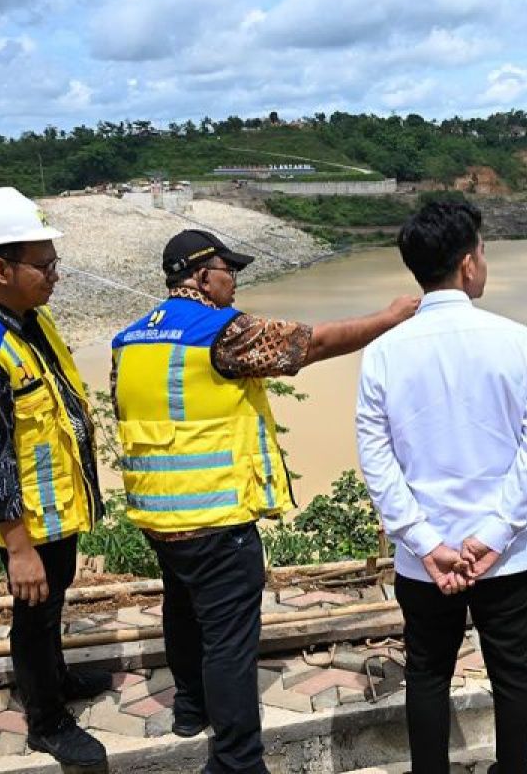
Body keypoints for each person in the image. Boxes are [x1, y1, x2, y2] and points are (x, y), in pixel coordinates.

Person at [111, 228, 417, 774]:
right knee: (229, 642)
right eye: (231, 271)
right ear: (203, 275)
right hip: (214, 513)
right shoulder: (223, 332)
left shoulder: (130, 338)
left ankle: (189, 709)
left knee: (182, 612)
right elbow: (312, 343)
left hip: (158, 511)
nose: (236, 282)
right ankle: (236, 762)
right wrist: (390, 318)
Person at [356, 202, 527, 774]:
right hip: (510, 554)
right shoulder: (519, 341)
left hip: (428, 562)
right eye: (484, 252)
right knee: (514, 672)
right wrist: (494, 535)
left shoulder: (384, 353)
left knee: (426, 672)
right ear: (469, 265)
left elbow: (378, 460)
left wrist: (424, 540)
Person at [0, 187, 109, 768]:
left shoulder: (25, 318)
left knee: (52, 605)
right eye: (44, 265)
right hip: (27, 520)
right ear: (0, 269)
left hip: (54, 503)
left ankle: (54, 678)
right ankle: (46, 720)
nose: (55, 275)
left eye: (54, 261)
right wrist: (18, 547)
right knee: (33, 617)